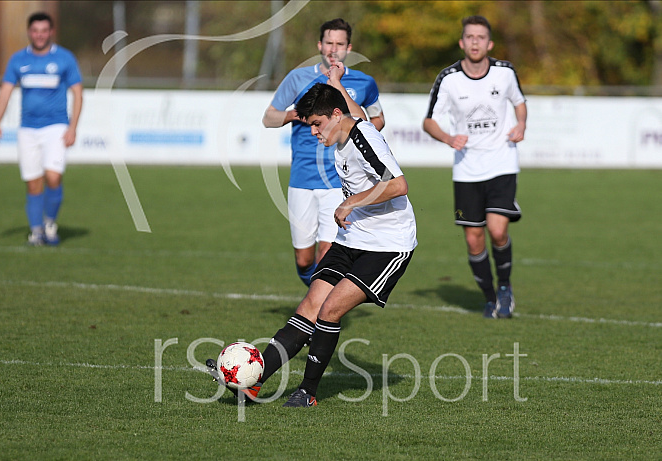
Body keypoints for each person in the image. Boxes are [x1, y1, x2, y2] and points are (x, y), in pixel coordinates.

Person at [210, 83, 416, 407]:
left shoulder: (364, 140)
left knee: (330, 310)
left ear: (334, 116)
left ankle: (308, 392)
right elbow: (350, 112)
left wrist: (351, 203)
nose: (314, 132)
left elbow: (398, 185)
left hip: (387, 245)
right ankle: (252, 381)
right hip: (353, 238)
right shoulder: (346, 129)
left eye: (317, 124)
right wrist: (334, 84)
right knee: (309, 307)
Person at [263, 18, 385, 287]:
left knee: (327, 255)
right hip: (303, 178)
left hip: (339, 180)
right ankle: (318, 300)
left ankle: (319, 314)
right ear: (319, 45)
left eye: (339, 44)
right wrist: (300, 113)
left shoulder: (363, 82)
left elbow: (377, 120)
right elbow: (268, 118)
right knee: (305, 260)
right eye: (329, 42)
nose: (333, 49)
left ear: (348, 47)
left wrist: (355, 134)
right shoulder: (298, 78)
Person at [423, 15, 527, 319]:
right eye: (469, 37)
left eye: (481, 37)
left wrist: (521, 124)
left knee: (497, 230)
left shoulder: (505, 72)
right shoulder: (448, 78)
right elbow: (428, 121)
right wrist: (447, 137)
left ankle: (505, 288)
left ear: (489, 43)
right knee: (472, 238)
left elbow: (519, 102)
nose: (475, 42)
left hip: (502, 161)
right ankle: (489, 296)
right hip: (467, 169)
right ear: (461, 42)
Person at [0, 11, 83, 246]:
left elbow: (78, 92)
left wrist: (73, 127)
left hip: (56, 127)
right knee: (33, 182)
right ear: (29, 32)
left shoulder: (64, 58)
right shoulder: (18, 60)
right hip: (27, 129)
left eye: (44, 31)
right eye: (35, 31)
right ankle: (36, 231)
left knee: (53, 177)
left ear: (50, 32)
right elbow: (5, 91)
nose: (39, 35)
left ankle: (50, 223)